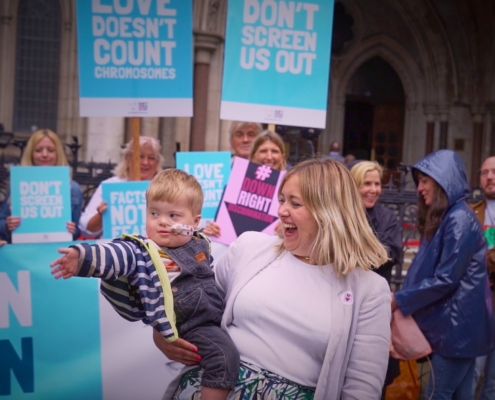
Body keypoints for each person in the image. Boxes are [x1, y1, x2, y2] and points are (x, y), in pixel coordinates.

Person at [154, 158, 392, 400]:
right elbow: (191, 303)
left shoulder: (370, 290)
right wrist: (162, 337)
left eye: (295, 203)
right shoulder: (249, 247)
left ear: (329, 212)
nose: (281, 210)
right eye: (282, 200)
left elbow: (362, 388)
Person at [50, 169, 240, 400]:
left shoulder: (200, 243)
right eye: (154, 212)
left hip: (213, 318)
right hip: (191, 325)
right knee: (223, 356)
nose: (162, 221)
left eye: (173, 216)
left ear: (194, 222)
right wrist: (83, 258)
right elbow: (116, 253)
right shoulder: (143, 250)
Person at [392, 149, 494, 399]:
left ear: (443, 181)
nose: (419, 188)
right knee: (459, 394)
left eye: (425, 181)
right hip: (459, 329)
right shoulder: (453, 216)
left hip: (455, 330)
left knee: (437, 394)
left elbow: (446, 278)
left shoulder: (458, 218)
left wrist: (400, 300)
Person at [350, 161, 402, 395]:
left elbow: (391, 253)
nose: (373, 189)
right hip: (343, 300)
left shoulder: (387, 217)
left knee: (372, 372)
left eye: (377, 184)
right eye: (366, 183)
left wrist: (354, 253)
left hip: (375, 304)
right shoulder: (343, 215)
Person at [0, 129, 83, 242]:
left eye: (50, 150)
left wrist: (72, 230)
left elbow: (77, 230)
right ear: (31, 154)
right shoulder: (17, 184)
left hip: (57, 253)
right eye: (38, 150)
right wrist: (7, 225)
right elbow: (2, 222)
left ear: (58, 153)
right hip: (22, 254)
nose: (44, 155)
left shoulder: (73, 188)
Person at [78, 136, 163, 239]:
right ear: (128, 158)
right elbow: (86, 229)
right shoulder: (111, 186)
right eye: (140, 156)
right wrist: (101, 216)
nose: (145, 162)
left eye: (151, 158)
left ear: (157, 162)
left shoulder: (163, 189)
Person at [472, 156, 495, 399]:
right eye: (485, 172)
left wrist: (485, 255)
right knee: (473, 371)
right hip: (477, 303)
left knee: (493, 383)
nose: (490, 177)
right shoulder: (471, 213)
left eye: (494, 172)